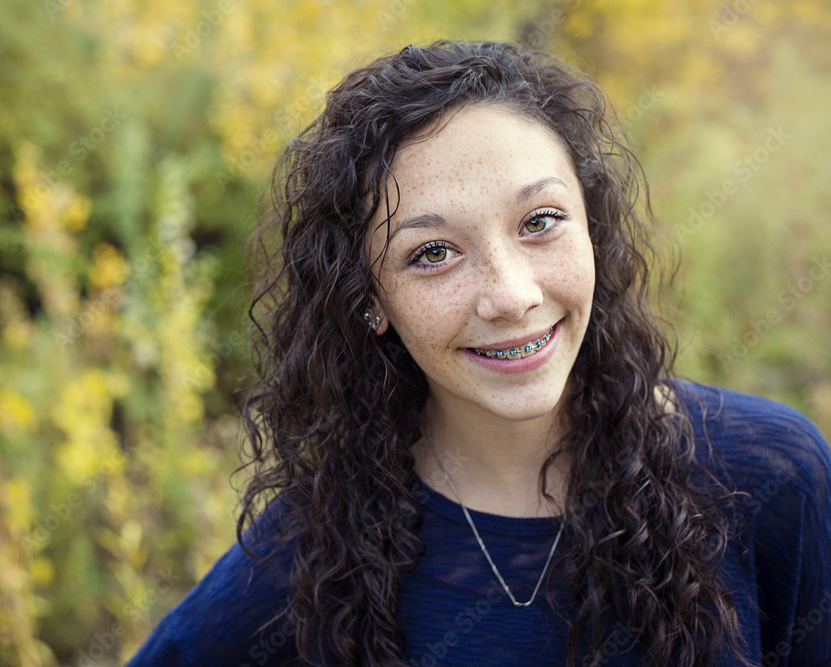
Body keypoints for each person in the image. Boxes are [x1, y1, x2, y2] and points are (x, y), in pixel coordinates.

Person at [126, 40, 831, 667]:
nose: (510, 294)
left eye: (540, 221)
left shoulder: (770, 477)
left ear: (593, 229)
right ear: (368, 298)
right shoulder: (314, 552)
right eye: (432, 253)